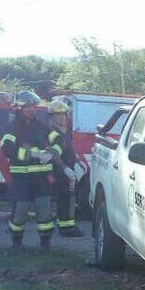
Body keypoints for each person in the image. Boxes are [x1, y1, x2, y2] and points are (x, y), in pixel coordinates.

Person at [0, 91, 56, 250]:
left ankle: (45, 244)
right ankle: (16, 243)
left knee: (44, 210)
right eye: (27, 107)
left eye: (32, 106)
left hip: (41, 178)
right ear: (18, 108)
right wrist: (30, 154)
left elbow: (58, 139)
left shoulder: (42, 126)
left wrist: (54, 151)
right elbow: (7, 149)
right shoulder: (11, 127)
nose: (31, 110)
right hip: (21, 178)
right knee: (21, 210)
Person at [46, 99, 85, 237]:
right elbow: (54, 154)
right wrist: (64, 169)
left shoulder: (63, 131)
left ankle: (67, 225)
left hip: (68, 169)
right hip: (60, 172)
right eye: (58, 114)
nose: (62, 117)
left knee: (69, 198)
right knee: (65, 199)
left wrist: (78, 161)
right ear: (51, 117)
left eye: (64, 114)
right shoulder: (53, 133)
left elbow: (68, 149)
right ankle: (66, 228)